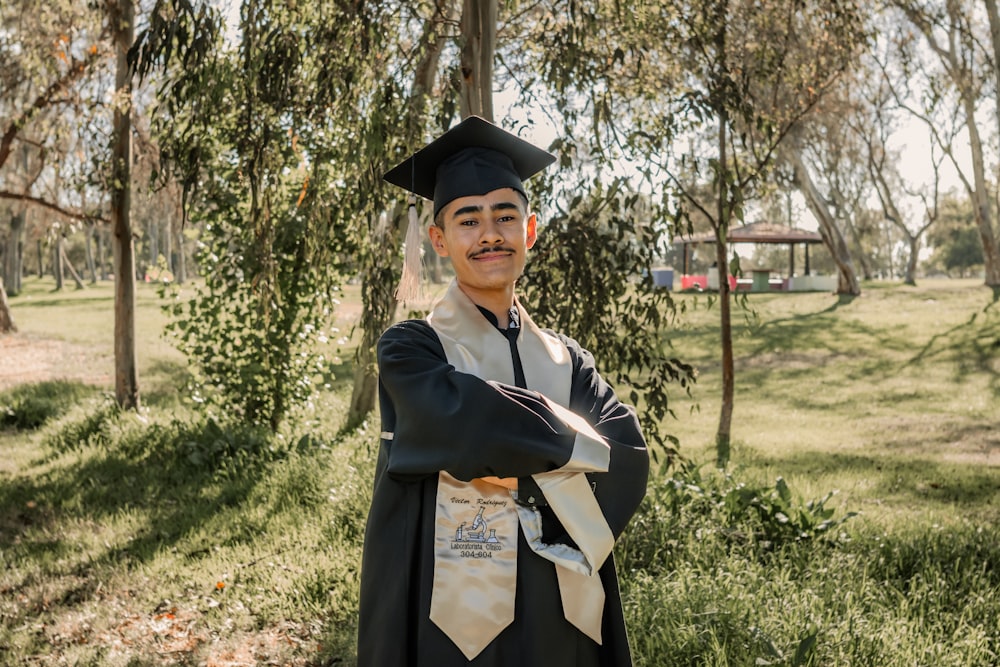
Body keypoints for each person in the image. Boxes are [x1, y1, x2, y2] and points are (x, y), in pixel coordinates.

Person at [357, 116, 650, 666]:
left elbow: (628, 453)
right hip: (450, 619)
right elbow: (469, 425)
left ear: (529, 231)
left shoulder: (568, 361)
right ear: (439, 240)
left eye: (505, 216)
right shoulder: (411, 350)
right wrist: (571, 453)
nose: (489, 233)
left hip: (559, 608)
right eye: (468, 220)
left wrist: (525, 451)